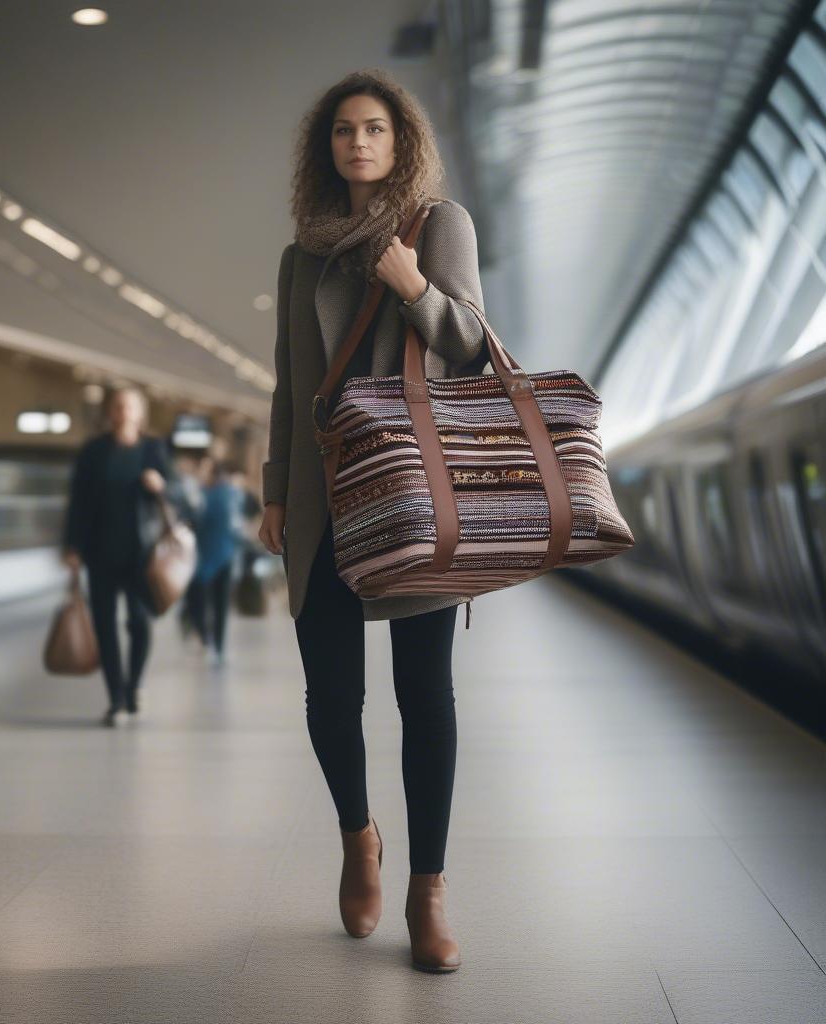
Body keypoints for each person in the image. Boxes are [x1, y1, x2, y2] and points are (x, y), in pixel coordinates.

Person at [257, 69, 487, 973]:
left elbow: (471, 348)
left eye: (376, 129)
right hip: (323, 500)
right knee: (329, 697)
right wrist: (276, 490)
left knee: (426, 699)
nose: (359, 142)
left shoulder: (440, 225)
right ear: (328, 148)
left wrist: (412, 284)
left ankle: (427, 892)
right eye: (345, 130)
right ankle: (359, 837)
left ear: (401, 142)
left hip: (411, 495)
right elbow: (287, 382)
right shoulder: (299, 257)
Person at [62, 385, 175, 727]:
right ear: (110, 413)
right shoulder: (94, 451)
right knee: (105, 626)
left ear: (141, 413)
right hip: (100, 552)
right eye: (118, 406)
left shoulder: (153, 449)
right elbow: (78, 501)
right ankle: (116, 699)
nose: (123, 412)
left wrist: (160, 484)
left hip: (142, 554)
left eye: (130, 406)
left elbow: (176, 492)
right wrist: (72, 547)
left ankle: (133, 685)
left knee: (140, 622)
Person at [193, 456, 246, 666]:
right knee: (220, 604)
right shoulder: (232, 494)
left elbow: (196, 520)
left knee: (204, 602)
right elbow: (237, 524)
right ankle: (217, 645)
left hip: (210, 555)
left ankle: (210, 641)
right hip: (224, 554)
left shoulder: (206, 495)